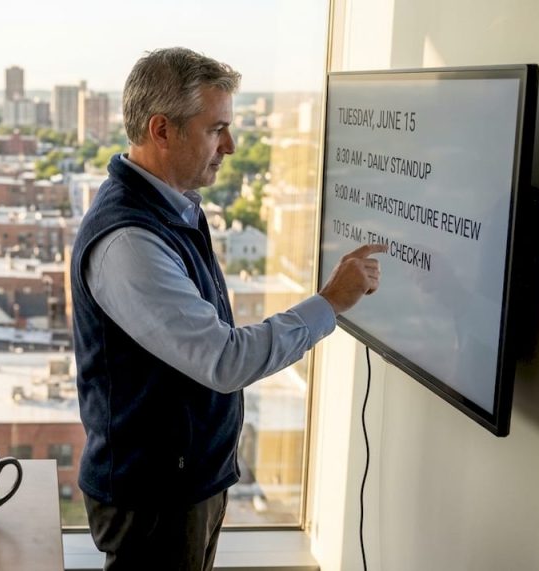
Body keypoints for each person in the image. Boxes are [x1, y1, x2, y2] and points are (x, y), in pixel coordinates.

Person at [70, 47, 384, 571]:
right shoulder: (130, 241)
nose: (231, 147)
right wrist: (330, 304)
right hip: (154, 498)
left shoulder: (171, 210)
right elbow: (225, 361)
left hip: (184, 483)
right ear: (162, 130)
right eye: (216, 129)